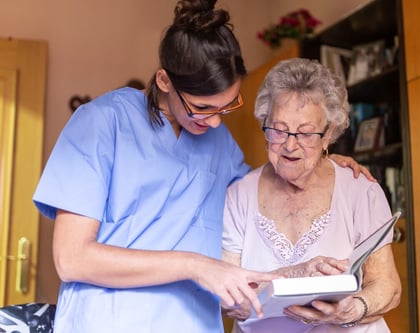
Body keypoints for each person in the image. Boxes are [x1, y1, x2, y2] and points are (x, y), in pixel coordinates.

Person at [32, 2, 372, 332]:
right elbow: (72, 258)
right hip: (108, 322)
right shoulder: (100, 124)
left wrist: (321, 161)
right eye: (201, 107)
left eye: (225, 107)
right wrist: (194, 266)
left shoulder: (218, 142)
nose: (212, 123)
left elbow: (264, 192)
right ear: (164, 81)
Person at [222, 58, 401, 333]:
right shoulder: (238, 195)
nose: (290, 146)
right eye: (279, 130)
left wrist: (352, 309)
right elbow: (227, 300)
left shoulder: (360, 189)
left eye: (306, 134)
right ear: (264, 125)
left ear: (328, 134)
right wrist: (294, 273)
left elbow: (388, 286)